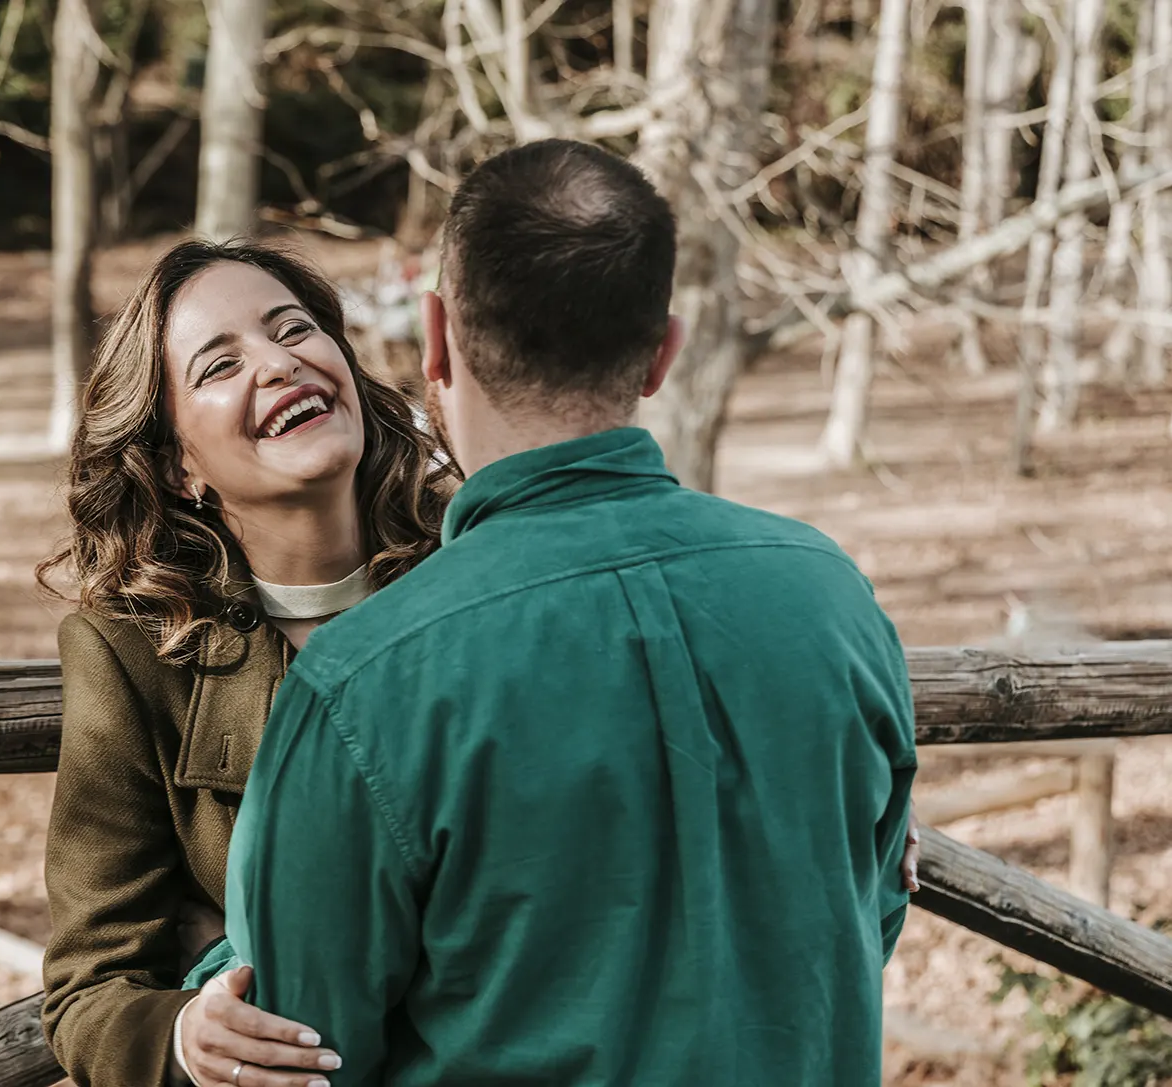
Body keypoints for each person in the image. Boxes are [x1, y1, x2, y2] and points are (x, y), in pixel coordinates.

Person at [220, 138, 920, 1086]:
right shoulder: (831, 595)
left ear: (434, 338)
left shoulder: (364, 680)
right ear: (662, 355)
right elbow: (863, 916)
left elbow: (297, 1047)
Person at [37, 239, 455, 1087]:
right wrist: (190, 1033)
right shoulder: (132, 653)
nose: (279, 362)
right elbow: (90, 985)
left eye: (294, 329)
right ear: (175, 464)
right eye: (219, 365)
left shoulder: (479, 564)